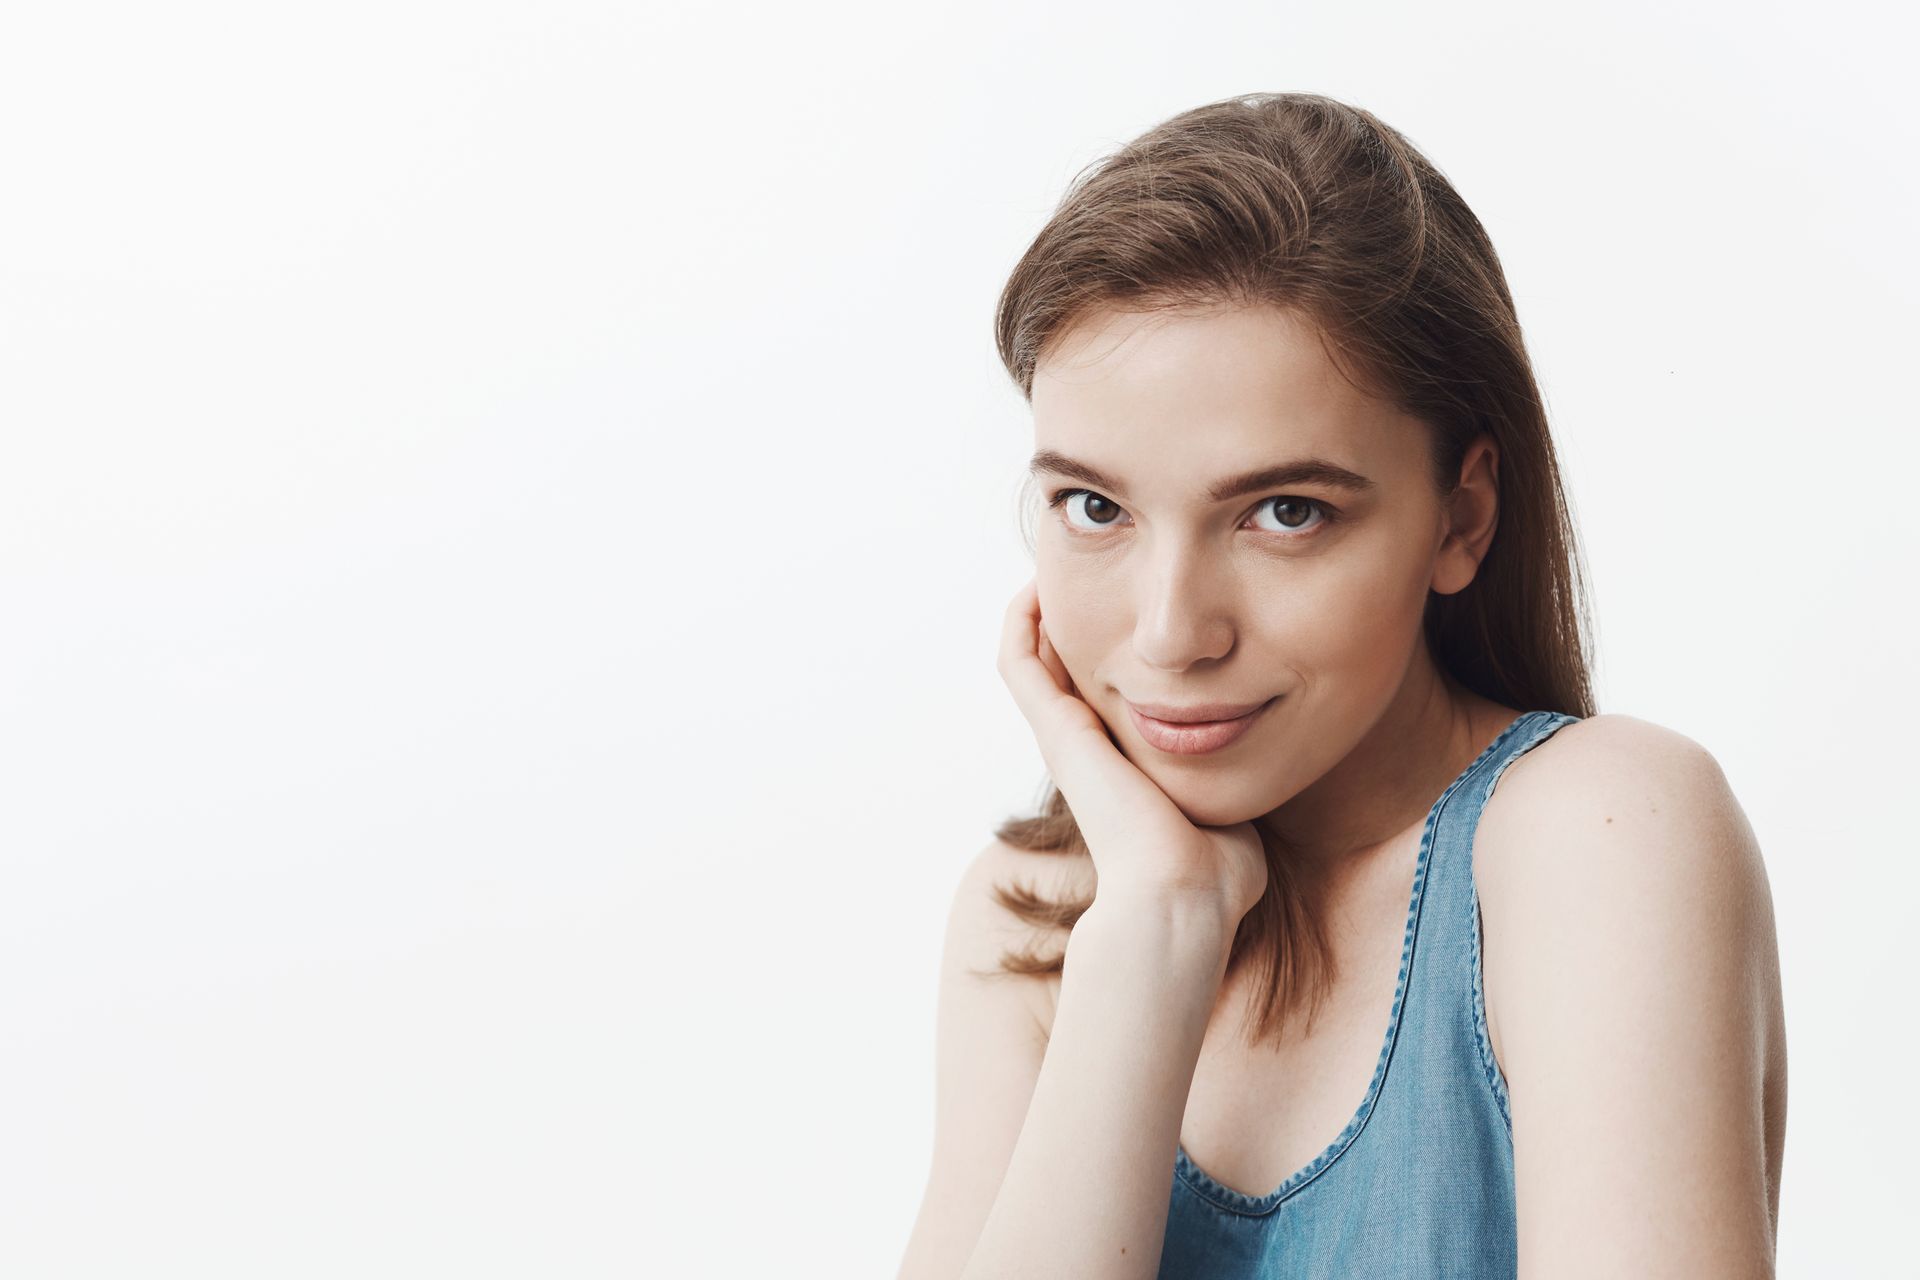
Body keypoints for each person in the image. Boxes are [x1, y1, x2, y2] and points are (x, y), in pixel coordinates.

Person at [894, 92, 1787, 1280]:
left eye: (1284, 512)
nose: (1171, 633)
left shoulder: (1600, 833)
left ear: (1460, 516)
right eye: (1095, 506)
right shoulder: (1038, 915)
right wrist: (1156, 922)